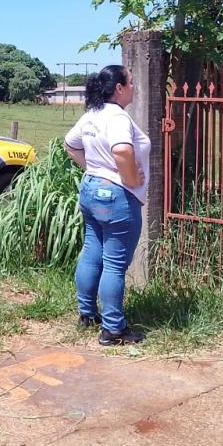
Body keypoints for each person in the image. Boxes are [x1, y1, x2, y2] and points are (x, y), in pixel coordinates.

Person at [64, 65, 150, 346]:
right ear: (120, 88)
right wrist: (130, 178)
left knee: (91, 252)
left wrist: (95, 168)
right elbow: (122, 150)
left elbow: (70, 144)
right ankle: (113, 329)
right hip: (117, 197)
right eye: (132, 83)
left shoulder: (93, 114)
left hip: (91, 191)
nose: (135, 88)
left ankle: (87, 313)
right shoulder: (117, 117)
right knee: (114, 264)